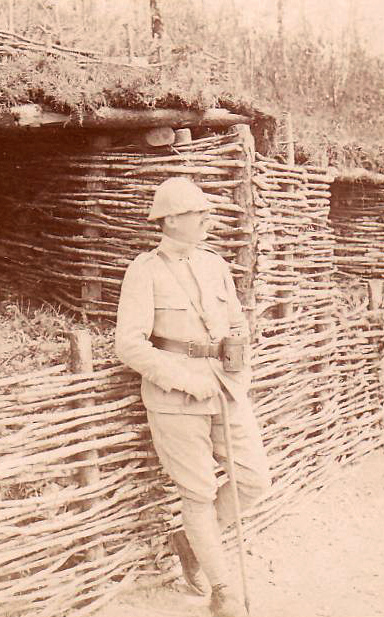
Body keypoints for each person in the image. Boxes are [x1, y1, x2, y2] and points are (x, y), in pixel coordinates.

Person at [115, 177, 271, 617]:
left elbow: (238, 322)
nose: (206, 218)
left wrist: (238, 361)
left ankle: (190, 541)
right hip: (174, 395)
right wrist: (183, 379)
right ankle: (221, 587)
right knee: (199, 493)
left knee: (256, 479)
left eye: (205, 212)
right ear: (170, 220)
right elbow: (129, 343)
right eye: (197, 213)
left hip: (224, 387)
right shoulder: (144, 270)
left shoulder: (214, 264)